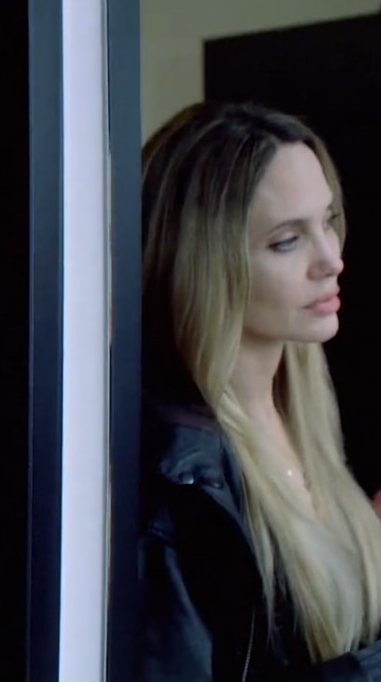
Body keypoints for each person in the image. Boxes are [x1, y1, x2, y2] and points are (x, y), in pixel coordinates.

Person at [139, 100, 381, 680]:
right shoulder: (179, 478)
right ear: (204, 262)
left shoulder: (306, 405)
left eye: (328, 220)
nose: (331, 259)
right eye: (286, 241)